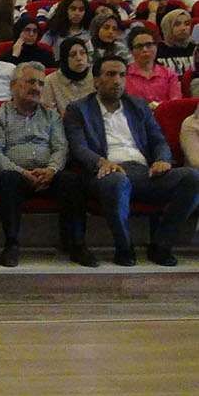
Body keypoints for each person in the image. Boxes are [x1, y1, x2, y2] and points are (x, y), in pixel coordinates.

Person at [63, 56, 199, 267]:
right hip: (105, 173)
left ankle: (161, 245)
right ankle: (124, 247)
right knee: (117, 181)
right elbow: (78, 147)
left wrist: (162, 159)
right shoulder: (79, 109)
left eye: (122, 75)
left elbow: (158, 140)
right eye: (110, 74)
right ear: (96, 80)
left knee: (192, 178)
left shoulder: (138, 106)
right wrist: (101, 162)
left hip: (145, 172)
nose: (117, 80)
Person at [0, 63, 93, 268]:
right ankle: (12, 245)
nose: (37, 88)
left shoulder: (52, 116)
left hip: (48, 174)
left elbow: (61, 147)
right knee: (8, 178)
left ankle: (77, 244)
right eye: (31, 82)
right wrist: (22, 172)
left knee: (73, 181)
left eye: (41, 84)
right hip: (15, 175)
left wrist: (51, 170)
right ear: (13, 85)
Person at [123, 28, 181, 107]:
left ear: (156, 47)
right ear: (131, 51)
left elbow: (175, 102)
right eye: (139, 46)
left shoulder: (169, 74)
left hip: (165, 113)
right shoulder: (124, 74)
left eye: (149, 45)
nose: (145, 49)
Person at [42, 36, 95, 113]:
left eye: (82, 53)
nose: (79, 58)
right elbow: (48, 114)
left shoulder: (95, 75)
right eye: (73, 55)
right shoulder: (51, 81)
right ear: (65, 59)